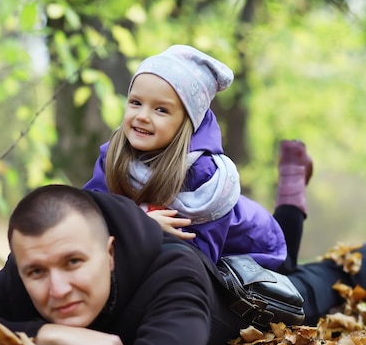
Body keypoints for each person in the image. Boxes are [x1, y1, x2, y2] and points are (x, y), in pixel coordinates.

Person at [0, 184, 366, 345]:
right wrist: (46, 333)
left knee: (320, 279)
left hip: (246, 296)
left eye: (75, 263)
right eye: (36, 272)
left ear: (109, 251)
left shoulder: (172, 275)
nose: (56, 290)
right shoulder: (35, 261)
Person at [83, 44, 288, 271]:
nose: (142, 116)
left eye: (161, 110)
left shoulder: (204, 176)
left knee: (299, 269)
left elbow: (198, 259)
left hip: (257, 244)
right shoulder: (113, 156)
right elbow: (90, 213)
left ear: (188, 122)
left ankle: (292, 186)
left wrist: (142, 228)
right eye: (135, 103)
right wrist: (139, 222)